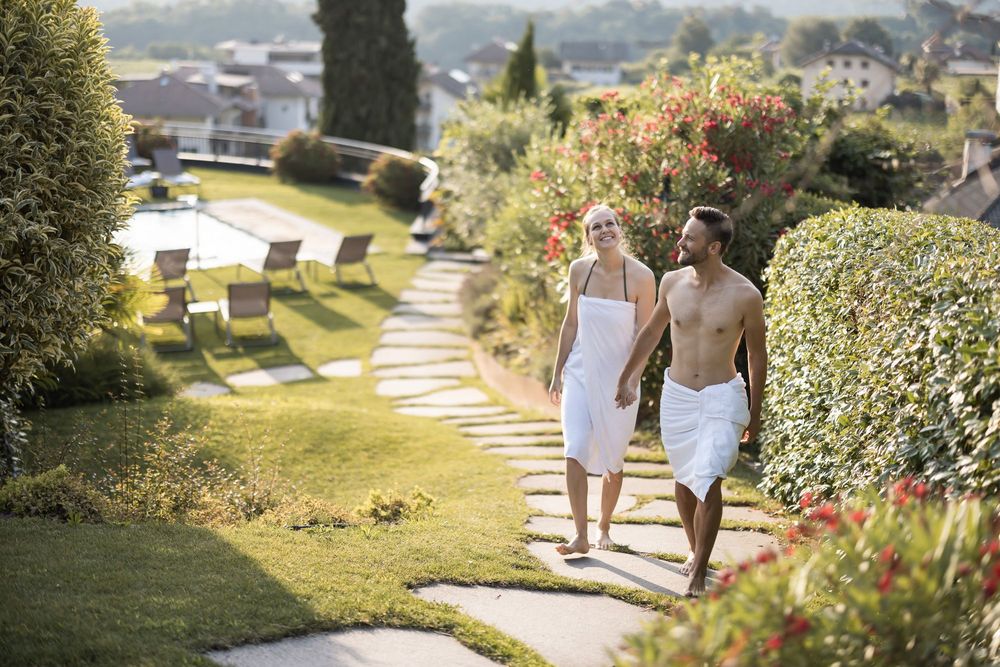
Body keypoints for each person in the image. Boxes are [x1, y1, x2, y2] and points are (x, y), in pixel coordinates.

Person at [614, 206, 766, 597]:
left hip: (722, 396)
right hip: (678, 395)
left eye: (690, 238)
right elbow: (651, 332)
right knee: (684, 482)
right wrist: (626, 375)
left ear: (713, 247)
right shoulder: (672, 282)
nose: (680, 242)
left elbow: (756, 356)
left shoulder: (745, 295)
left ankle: (698, 571)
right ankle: (695, 548)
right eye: (683, 234)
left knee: (709, 478)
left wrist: (755, 411)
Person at [548, 204, 656, 556]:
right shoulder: (579, 270)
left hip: (620, 380)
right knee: (574, 448)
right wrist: (557, 374)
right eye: (596, 226)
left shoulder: (641, 276)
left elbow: (647, 335)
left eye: (610, 223)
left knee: (613, 459)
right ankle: (580, 534)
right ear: (588, 237)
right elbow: (570, 323)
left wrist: (631, 380)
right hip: (580, 372)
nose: (605, 230)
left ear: (620, 230)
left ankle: (603, 525)